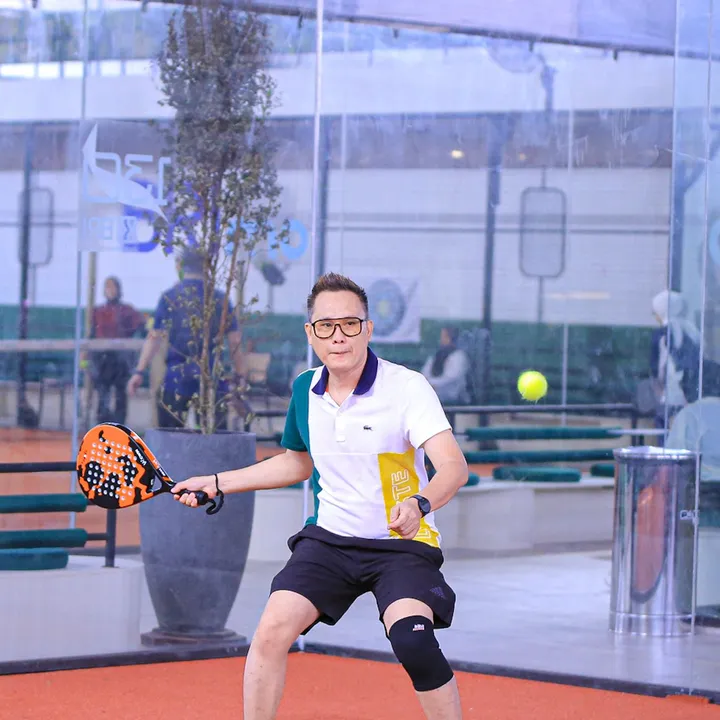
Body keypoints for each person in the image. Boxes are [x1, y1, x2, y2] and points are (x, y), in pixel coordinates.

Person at [173, 272, 468, 720]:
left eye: (350, 324)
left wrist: (419, 503)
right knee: (271, 632)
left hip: (401, 544)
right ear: (310, 334)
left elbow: (453, 466)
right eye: (326, 326)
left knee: (413, 640)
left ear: (368, 329)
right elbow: (297, 463)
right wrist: (217, 482)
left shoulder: (407, 387)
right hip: (330, 542)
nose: (338, 336)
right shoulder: (304, 389)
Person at [127, 247, 243, 429]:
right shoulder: (221, 299)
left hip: (176, 379)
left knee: (171, 435)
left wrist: (139, 372)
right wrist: (240, 375)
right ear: (207, 268)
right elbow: (235, 341)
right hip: (211, 378)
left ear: (180, 266)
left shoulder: (170, 297)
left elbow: (154, 337)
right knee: (213, 438)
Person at [90, 276, 146, 424]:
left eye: (113, 287)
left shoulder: (127, 310)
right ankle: (102, 426)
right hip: (102, 360)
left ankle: (119, 427)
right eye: (107, 287)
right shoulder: (98, 311)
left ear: (118, 289)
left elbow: (142, 326)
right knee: (103, 395)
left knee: (121, 395)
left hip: (121, 361)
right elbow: (91, 334)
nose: (110, 290)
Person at [649, 289, 702, 428]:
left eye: (655, 312)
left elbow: (658, 369)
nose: (654, 315)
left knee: (665, 433)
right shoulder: (693, 332)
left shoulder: (663, 333)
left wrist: (659, 391)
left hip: (671, 396)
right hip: (692, 396)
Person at [421, 326, 471, 404]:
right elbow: (425, 373)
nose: (441, 340)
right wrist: (427, 383)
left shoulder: (459, 356)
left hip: (455, 400)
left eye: (445, 337)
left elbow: (451, 378)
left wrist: (433, 384)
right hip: (434, 398)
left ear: (452, 339)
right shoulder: (436, 355)